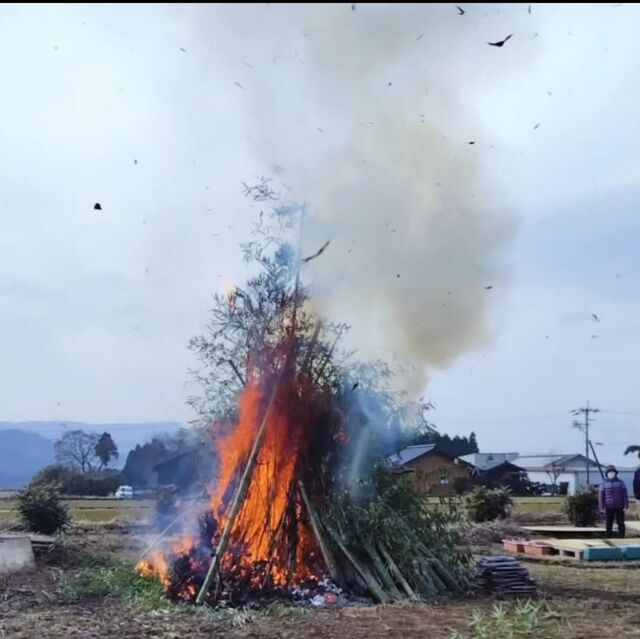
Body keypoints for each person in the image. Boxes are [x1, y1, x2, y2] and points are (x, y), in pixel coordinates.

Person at [599, 465, 628, 538]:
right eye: (609, 472)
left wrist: (626, 506)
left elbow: (625, 495)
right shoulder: (603, 483)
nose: (611, 474)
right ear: (607, 474)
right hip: (609, 506)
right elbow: (601, 496)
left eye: (613, 472)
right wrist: (602, 506)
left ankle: (621, 536)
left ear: (615, 473)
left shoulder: (620, 482)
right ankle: (608, 536)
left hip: (619, 506)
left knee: (620, 522)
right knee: (609, 522)